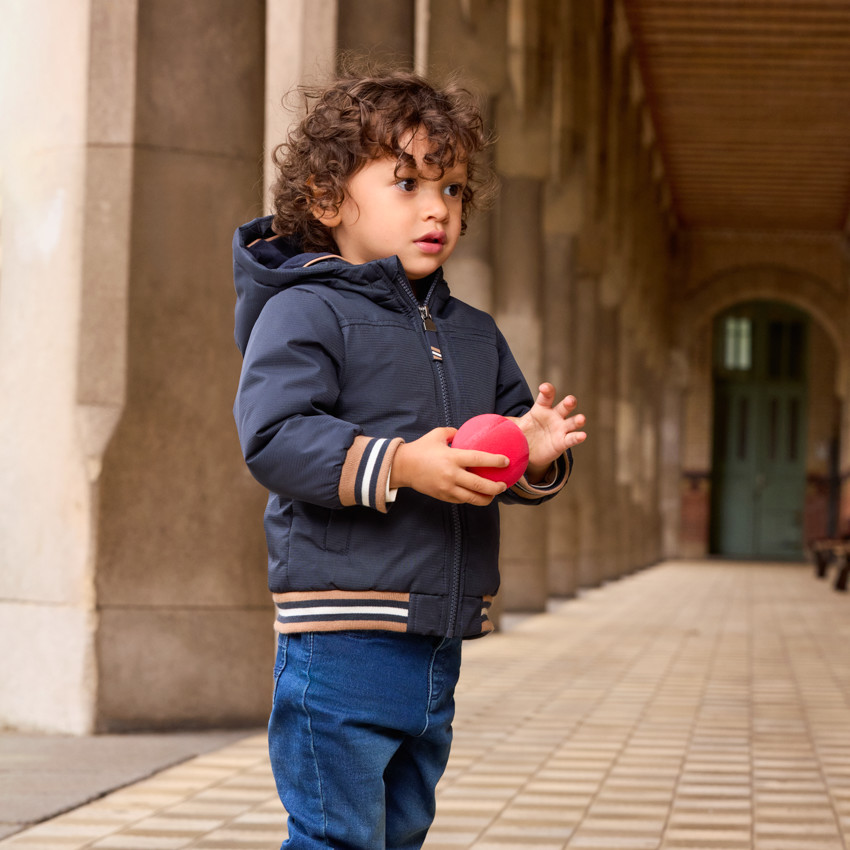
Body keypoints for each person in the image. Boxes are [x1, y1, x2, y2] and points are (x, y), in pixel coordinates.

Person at [232, 69, 587, 850]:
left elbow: (498, 457)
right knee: (335, 835)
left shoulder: (473, 332)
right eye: (407, 183)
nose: (438, 208)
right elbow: (275, 435)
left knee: (400, 831)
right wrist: (399, 464)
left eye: (453, 188)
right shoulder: (304, 309)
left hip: (436, 633)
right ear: (327, 200)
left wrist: (531, 454)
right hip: (340, 633)